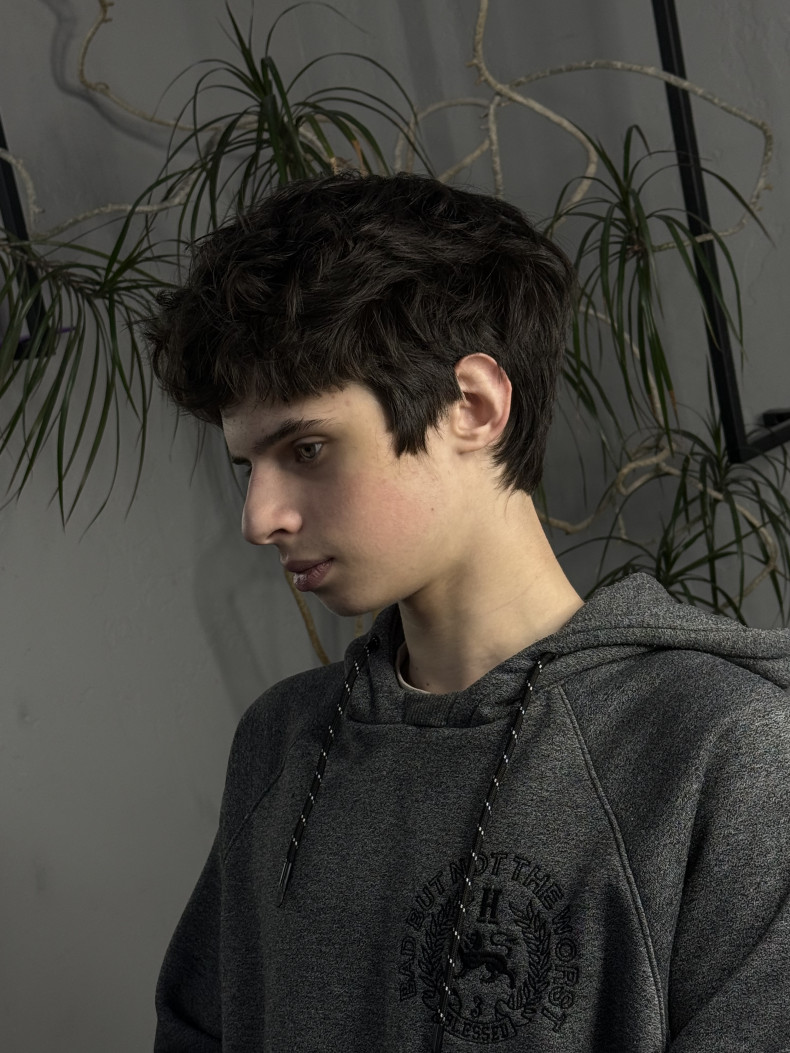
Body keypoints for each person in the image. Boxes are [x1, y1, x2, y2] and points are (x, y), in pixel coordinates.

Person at [144, 171, 790, 1053]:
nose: (260, 517)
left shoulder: (727, 753)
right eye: (246, 466)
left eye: (308, 447)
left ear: (473, 407)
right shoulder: (278, 742)